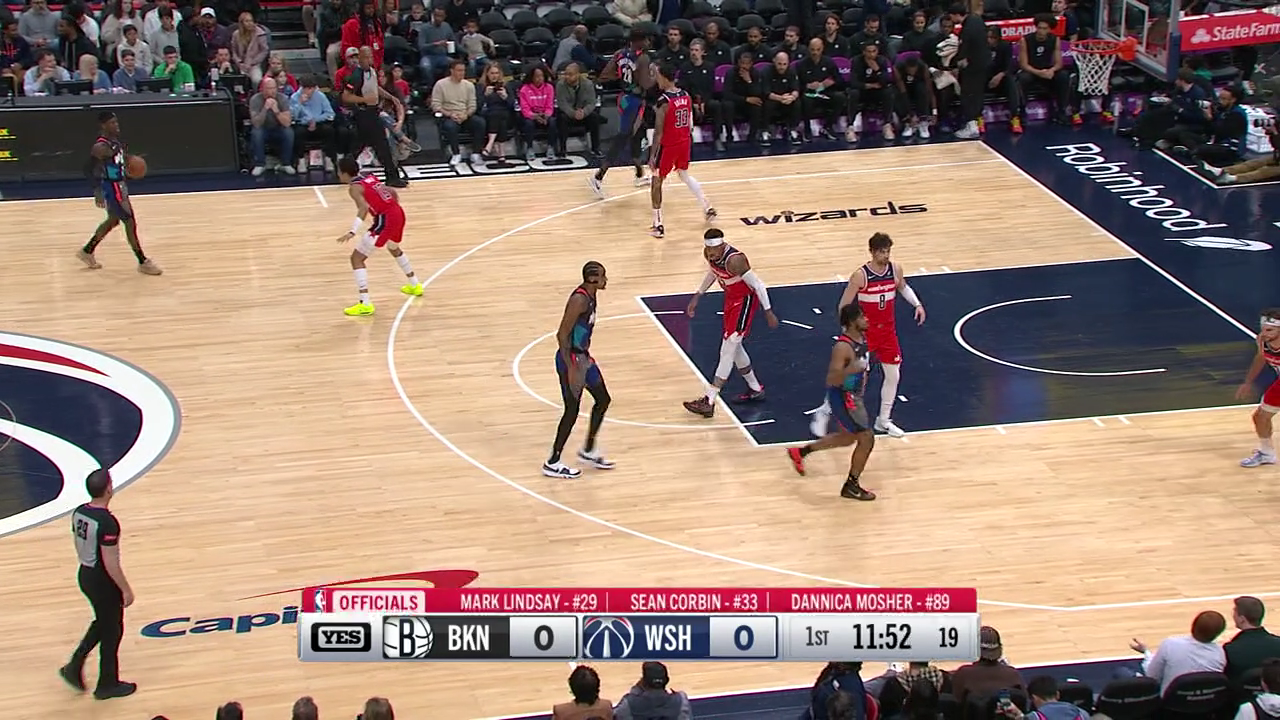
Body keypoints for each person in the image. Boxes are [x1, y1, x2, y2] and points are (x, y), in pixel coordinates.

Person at [811, 233, 923, 438]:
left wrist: (917, 304)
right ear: (872, 252)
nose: (886, 255)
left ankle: (884, 420)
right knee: (852, 378)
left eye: (888, 251)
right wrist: (847, 330)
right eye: (882, 252)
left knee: (893, 375)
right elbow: (844, 305)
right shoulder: (860, 276)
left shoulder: (895, 270)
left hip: (887, 333)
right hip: (865, 334)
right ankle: (825, 410)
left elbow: (903, 287)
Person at [683, 229, 779, 418]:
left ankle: (709, 399)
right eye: (708, 250)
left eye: (714, 250)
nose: (710, 253)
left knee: (727, 349)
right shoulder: (709, 254)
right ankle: (755, 388)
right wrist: (698, 295)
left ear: (722, 246)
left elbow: (758, 285)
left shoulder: (735, 260)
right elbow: (713, 273)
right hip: (731, 300)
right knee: (735, 348)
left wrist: (768, 311)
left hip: (745, 301)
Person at [787, 303, 877, 500]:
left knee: (847, 438)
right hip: (845, 398)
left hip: (854, 396)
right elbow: (832, 379)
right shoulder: (842, 347)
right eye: (862, 317)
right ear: (852, 322)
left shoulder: (861, 339)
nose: (866, 320)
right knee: (867, 438)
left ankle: (801, 452)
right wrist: (851, 369)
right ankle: (851, 485)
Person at [59, 468, 137, 700]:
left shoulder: (80, 512)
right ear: (108, 489)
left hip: (85, 572)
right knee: (113, 630)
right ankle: (107, 684)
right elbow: (111, 562)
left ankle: (74, 666)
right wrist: (125, 589)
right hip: (103, 581)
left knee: (103, 623)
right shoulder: (108, 523)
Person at [543, 261, 615, 479]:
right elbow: (561, 334)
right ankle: (552, 462)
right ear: (593, 279)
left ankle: (588, 450)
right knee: (571, 410)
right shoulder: (579, 300)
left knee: (603, 399)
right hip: (572, 360)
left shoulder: (592, 295)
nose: (606, 279)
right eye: (602, 276)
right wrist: (571, 366)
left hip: (584, 357)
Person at [333, 156, 421, 316]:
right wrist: (390, 207)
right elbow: (391, 191)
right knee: (393, 247)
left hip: (386, 219)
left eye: (338, 171)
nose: (338, 175)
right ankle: (415, 285)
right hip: (398, 213)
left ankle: (365, 304)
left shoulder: (354, 188)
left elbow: (363, 208)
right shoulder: (369, 176)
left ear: (344, 173)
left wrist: (353, 231)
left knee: (357, 259)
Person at [77, 113, 161, 275]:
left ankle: (87, 251)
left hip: (120, 185)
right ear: (103, 125)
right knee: (130, 222)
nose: (116, 125)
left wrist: (129, 163)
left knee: (113, 221)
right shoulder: (100, 147)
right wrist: (97, 190)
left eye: (116, 122)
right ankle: (143, 261)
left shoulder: (115, 142)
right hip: (112, 187)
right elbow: (87, 169)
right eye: (112, 123)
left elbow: (117, 160)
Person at [647, 62, 715, 238]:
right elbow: (690, 123)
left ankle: (658, 224)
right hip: (684, 142)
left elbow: (658, 132)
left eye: (658, 76)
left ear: (664, 77)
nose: (656, 79)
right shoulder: (686, 95)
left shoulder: (664, 101)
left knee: (656, 181)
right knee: (684, 174)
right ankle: (707, 206)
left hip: (668, 146)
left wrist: (652, 155)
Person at [588, 27, 651, 198]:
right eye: (646, 39)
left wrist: (623, 77)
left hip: (623, 98)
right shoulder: (643, 58)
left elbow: (605, 75)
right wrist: (656, 77)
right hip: (635, 101)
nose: (648, 43)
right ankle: (598, 176)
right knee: (623, 137)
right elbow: (646, 84)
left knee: (636, 134)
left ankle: (640, 174)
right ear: (638, 41)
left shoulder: (619, 54)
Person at [341, 45, 407, 187]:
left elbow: (374, 87)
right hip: (364, 114)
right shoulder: (356, 75)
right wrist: (365, 99)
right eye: (366, 57)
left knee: (359, 146)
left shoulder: (372, 71)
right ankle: (392, 177)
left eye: (370, 56)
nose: (369, 59)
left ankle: (343, 171)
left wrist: (391, 97)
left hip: (372, 112)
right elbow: (346, 97)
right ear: (360, 58)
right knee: (382, 146)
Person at [1235, 309, 1280, 468]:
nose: (1264, 333)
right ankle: (1267, 454)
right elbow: (1261, 357)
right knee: (1260, 417)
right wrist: (1248, 382)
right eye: (1263, 329)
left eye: (1270, 330)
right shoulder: (1262, 340)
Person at [1016, 14, 1076, 127]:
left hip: (1047, 71)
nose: (1041, 31)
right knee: (1023, 78)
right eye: (1039, 28)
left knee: (1063, 76)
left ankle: (1061, 111)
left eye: (1044, 28)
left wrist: (1052, 70)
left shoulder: (1055, 39)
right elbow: (1023, 65)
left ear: (1050, 29)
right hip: (1032, 71)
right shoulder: (1025, 40)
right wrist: (1039, 72)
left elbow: (1059, 63)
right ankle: (1021, 112)